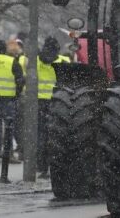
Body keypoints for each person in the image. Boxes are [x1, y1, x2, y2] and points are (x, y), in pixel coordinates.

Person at [0, 40, 25, 163]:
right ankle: (8, 154)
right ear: (5, 49)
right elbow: (20, 80)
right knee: (9, 127)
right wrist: (16, 94)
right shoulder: (12, 61)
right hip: (9, 99)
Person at [36, 37, 70, 177]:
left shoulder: (36, 61)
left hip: (39, 102)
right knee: (57, 135)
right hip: (58, 102)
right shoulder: (64, 61)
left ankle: (41, 166)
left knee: (41, 134)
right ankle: (55, 165)